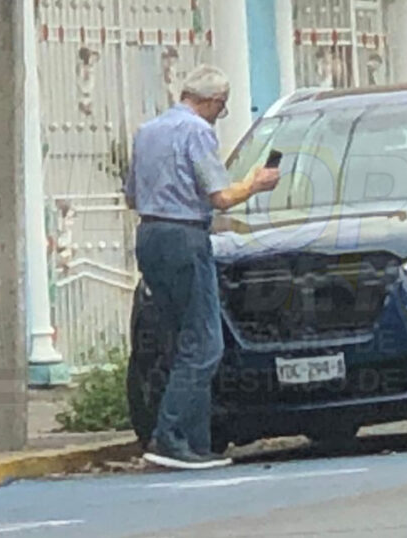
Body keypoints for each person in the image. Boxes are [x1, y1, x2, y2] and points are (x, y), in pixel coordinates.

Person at [123, 65, 281, 470]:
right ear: (212, 102)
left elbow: (131, 195)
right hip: (184, 236)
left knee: (180, 339)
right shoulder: (197, 132)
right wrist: (256, 183)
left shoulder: (148, 132)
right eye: (221, 109)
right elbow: (221, 197)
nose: (218, 116)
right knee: (206, 343)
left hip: (150, 235)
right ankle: (170, 437)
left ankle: (196, 441)